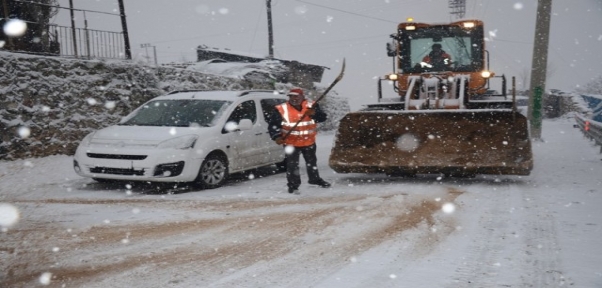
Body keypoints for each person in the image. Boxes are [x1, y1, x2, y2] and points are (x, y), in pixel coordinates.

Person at [268, 87, 331, 194]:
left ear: (302, 97)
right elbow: (273, 125)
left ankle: (314, 179)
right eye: (291, 96)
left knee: (311, 163)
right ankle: (293, 185)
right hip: (290, 142)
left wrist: (314, 114)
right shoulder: (281, 109)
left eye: (296, 96)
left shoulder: (311, 106)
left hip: (308, 141)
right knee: (292, 165)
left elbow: (322, 118)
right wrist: (276, 136)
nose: (294, 98)